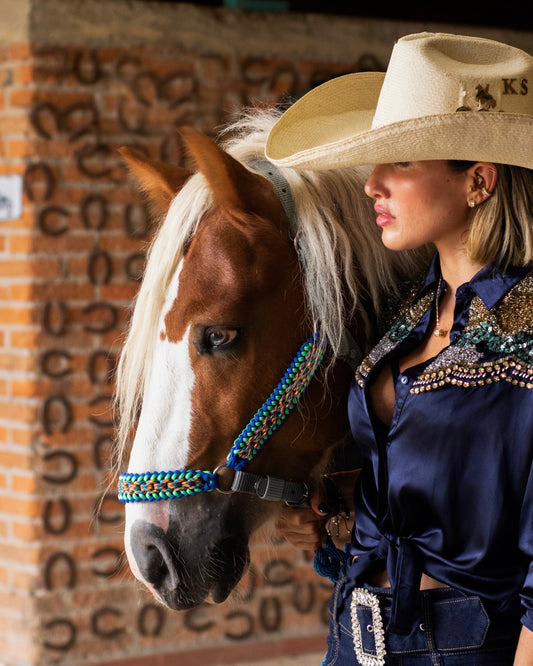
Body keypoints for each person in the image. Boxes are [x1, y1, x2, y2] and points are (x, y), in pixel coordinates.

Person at [265, 32, 533, 664]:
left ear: (479, 179)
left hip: (468, 647)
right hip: (354, 633)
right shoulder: (412, 309)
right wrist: (339, 509)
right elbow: (450, 476)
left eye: (401, 163)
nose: (372, 184)